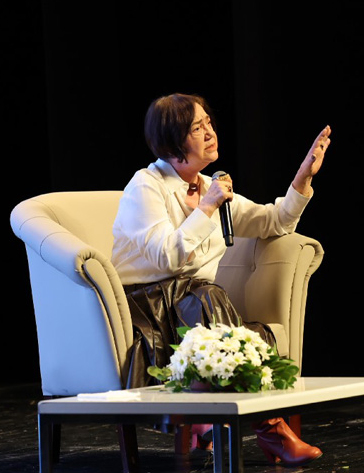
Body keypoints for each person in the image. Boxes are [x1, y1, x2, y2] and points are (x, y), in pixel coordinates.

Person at [111, 92, 330, 467]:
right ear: (173, 142)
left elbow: (274, 222)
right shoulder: (146, 186)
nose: (210, 132)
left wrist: (303, 178)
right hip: (149, 307)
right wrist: (208, 206)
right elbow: (167, 257)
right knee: (211, 299)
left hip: (194, 305)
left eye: (208, 122)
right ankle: (271, 429)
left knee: (215, 304)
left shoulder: (210, 185)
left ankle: (223, 425)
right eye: (197, 127)